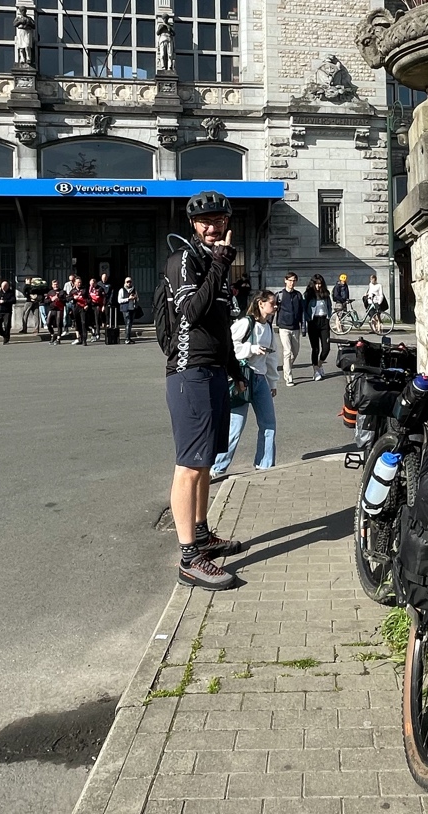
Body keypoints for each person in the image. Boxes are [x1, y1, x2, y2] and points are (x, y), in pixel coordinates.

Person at [164, 190, 245, 591]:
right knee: (190, 463)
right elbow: (191, 314)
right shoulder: (184, 260)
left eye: (218, 220)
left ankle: (201, 533)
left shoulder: (216, 263)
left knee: (207, 461)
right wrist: (219, 266)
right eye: (204, 221)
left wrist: (236, 370)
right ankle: (188, 558)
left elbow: (221, 328)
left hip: (214, 370)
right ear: (193, 225)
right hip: (188, 371)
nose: (213, 227)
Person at [213, 290, 279, 475]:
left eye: (275, 304)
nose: (275, 307)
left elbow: (272, 358)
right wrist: (251, 348)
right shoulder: (245, 323)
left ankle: (264, 465)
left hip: (260, 380)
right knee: (235, 427)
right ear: (261, 304)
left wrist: (273, 382)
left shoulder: (268, 328)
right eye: (272, 303)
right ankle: (216, 467)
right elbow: (229, 344)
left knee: (269, 424)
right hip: (242, 378)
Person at [273, 272, 307, 386]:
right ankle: (289, 376)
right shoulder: (279, 295)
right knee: (287, 351)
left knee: (295, 352)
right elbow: (273, 310)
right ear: (285, 281)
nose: (292, 283)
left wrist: (303, 327)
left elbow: (302, 312)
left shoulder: (298, 295)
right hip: (284, 327)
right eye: (290, 280)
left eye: (294, 281)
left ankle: (286, 366)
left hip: (295, 327)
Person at [304, 273, 332, 379]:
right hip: (313, 321)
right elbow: (304, 309)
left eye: (320, 284)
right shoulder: (308, 294)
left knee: (326, 348)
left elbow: (329, 306)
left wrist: (329, 316)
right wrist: (308, 319)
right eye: (316, 284)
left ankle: (319, 365)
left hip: (324, 321)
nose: (318, 286)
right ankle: (315, 370)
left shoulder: (325, 294)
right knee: (315, 348)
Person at [117, 276, 140, 344]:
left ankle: (129, 338)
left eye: (130, 281)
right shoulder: (122, 290)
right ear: (125, 283)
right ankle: (127, 339)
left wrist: (135, 298)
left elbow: (138, 299)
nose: (129, 283)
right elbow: (119, 300)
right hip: (125, 309)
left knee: (130, 324)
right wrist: (128, 299)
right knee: (128, 323)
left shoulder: (134, 290)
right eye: (127, 282)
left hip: (133, 308)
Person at [0, 278, 15, 343]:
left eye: (5, 287)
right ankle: (3, 334)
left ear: (7, 287)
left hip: (7, 311)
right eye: (2, 287)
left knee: (7, 325)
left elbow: (13, 300)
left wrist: (4, 301)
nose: (3, 289)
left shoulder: (11, 292)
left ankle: (7, 338)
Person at [71, 280, 91, 345]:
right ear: (75, 283)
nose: (79, 283)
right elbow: (67, 298)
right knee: (78, 323)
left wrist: (87, 304)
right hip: (76, 308)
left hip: (83, 308)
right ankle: (80, 338)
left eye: (80, 282)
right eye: (78, 282)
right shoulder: (73, 290)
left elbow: (89, 298)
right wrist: (73, 297)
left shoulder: (84, 290)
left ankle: (84, 340)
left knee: (83, 322)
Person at [46, 280, 66, 344]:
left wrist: (59, 299)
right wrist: (51, 299)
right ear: (52, 285)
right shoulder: (50, 292)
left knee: (58, 323)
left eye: (57, 284)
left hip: (59, 309)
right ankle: (52, 335)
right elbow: (45, 301)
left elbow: (65, 300)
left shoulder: (62, 292)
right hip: (52, 309)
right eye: (54, 284)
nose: (56, 285)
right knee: (48, 323)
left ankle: (58, 338)